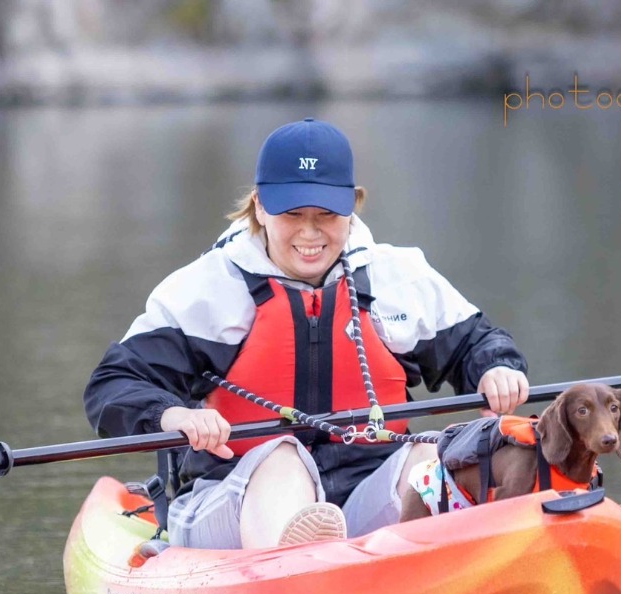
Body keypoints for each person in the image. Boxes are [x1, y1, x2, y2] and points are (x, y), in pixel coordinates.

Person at [84, 118, 529, 549]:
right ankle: (303, 576)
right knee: (283, 460)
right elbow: (112, 386)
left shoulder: (399, 278)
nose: (310, 232)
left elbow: (478, 343)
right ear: (259, 205)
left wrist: (497, 370)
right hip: (233, 498)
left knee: (430, 457)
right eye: (293, 213)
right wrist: (173, 416)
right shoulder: (207, 289)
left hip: (363, 501)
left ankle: (423, 582)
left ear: (353, 204)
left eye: (327, 215)